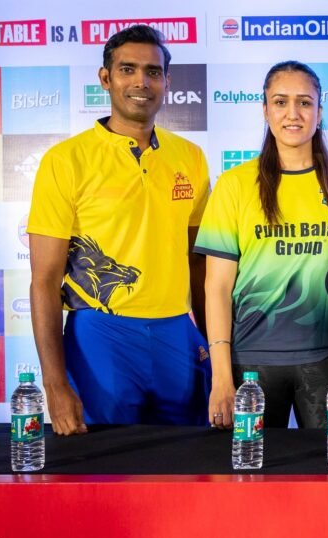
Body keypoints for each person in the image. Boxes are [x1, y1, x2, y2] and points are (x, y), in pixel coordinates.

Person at [28, 25, 211, 434]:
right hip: (101, 334)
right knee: (106, 461)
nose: (141, 82)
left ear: (167, 81)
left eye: (153, 71)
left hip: (176, 331)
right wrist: (55, 384)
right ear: (105, 78)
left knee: (189, 458)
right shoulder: (66, 160)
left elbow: (199, 264)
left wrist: (215, 347)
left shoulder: (191, 157)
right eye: (127, 69)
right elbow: (44, 281)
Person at [195, 61, 328, 430]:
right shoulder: (234, 185)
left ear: (320, 112)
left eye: (304, 102)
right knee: (251, 466)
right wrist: (221, 377)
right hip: (250, 363)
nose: (293, 114)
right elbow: (218, 287)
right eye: (280, 102)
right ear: (265, 110)